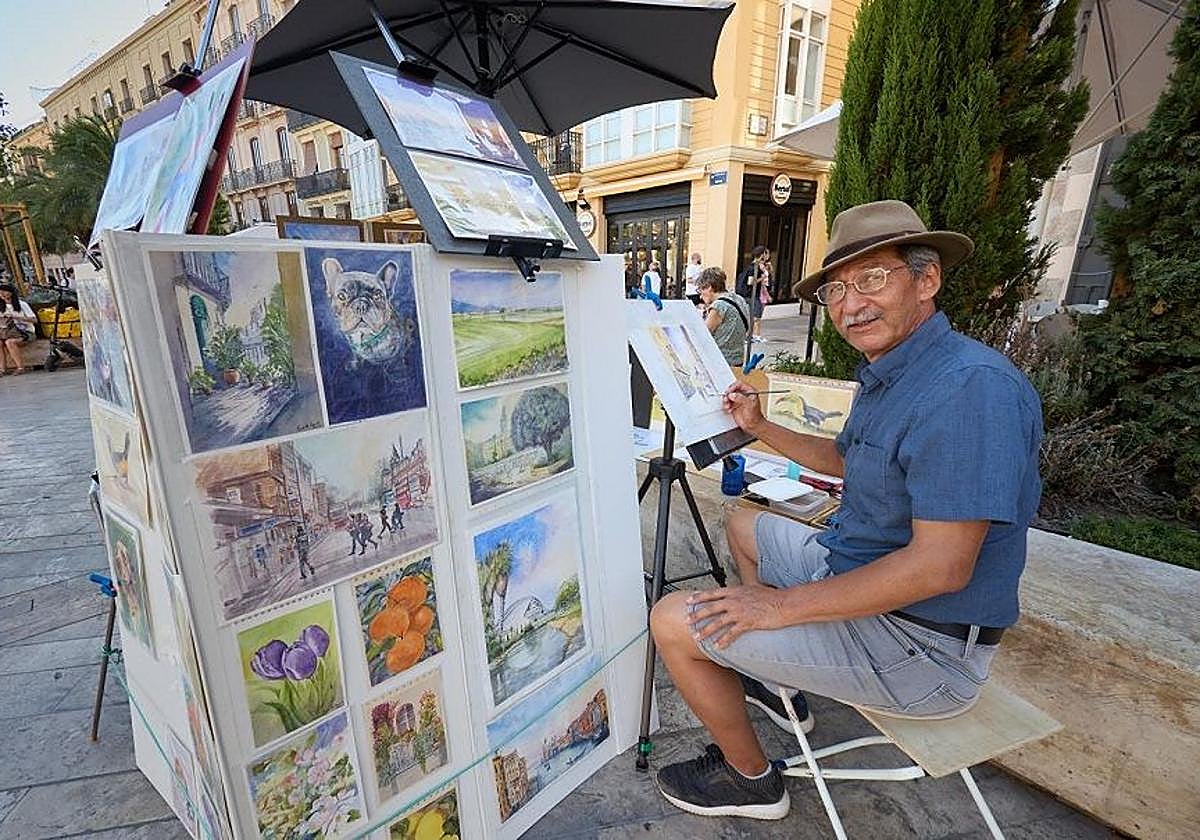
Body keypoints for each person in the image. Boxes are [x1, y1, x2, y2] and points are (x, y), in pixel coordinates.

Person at [649, 200, 1043, 821]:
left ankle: (752, 780)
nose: (850, 304)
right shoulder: (893, 371)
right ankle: (782, 691)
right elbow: (845, 458)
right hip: (857, 575)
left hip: (925, 649)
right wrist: (760, 426)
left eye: (873, 278)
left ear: (927, 279)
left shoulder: (970, 388)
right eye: (835, 289)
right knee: (745, 524)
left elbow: (940, 569)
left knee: (672, 620)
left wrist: (777, 607)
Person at [697, 267, 750, 367]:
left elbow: (704, 334)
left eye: (700, 290)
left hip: (721, 361)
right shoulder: (739, 299)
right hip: (738, 359)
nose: (700, 296)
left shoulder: (719, 306)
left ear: (709, 287)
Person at [0, 283, 38, 375]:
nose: (3, 294)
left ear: (11, 293)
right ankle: (2, 369)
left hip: (25, 332)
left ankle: (20, 367)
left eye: (4, 291)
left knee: (10, 342)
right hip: (7, 332)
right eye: (1, 293)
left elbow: (34, 320)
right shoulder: (1, 307)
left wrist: (16, 317)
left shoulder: (22, 304)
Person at [735, 247, 771, 344]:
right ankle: (750, 336)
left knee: (752, 316)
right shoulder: (754, 268)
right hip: (751, 295)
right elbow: (750, 282)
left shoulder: (752, 266)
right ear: (762, 254)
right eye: (765, 253)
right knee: (755, 317)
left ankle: (749, 336)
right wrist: (761, 278)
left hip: (750, 295)